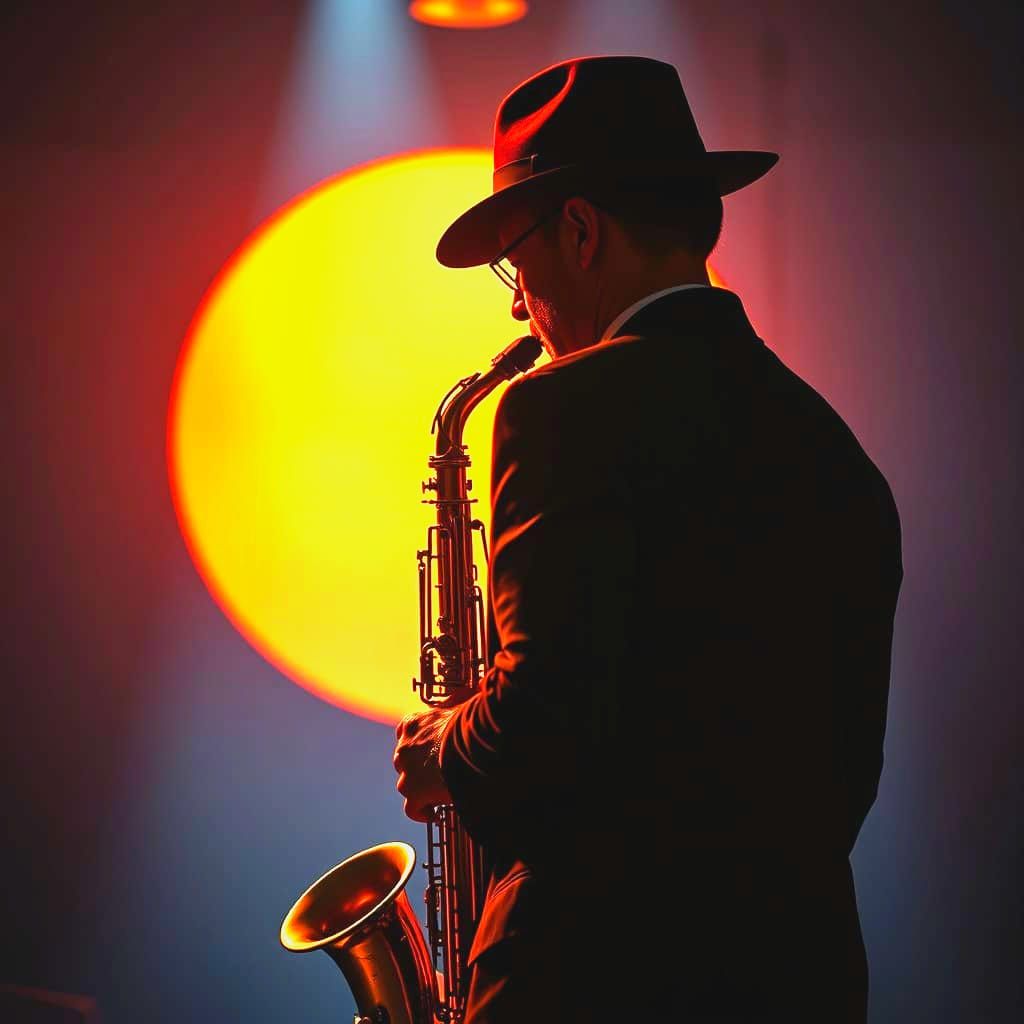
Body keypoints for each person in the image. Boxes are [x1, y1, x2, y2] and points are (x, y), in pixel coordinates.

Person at [393, 55, 903, 1023]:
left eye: (516, 260)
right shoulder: (837, 454)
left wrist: (442, 746)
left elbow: (536, 727)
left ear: (579, 232)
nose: (515, 302)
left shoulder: (556, 411)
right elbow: (843, 781)